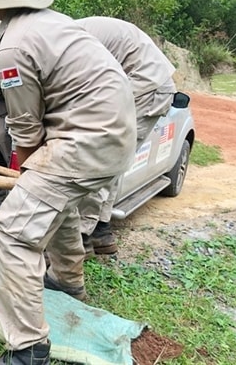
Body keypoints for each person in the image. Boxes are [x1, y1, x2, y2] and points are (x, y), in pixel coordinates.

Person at [0, 0, 137, 365]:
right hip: (111, 137)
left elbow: (24, 125)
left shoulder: (15, 44)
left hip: (83, 141)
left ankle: (28, 349)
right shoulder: (51, 22)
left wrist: (26, 166)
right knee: (62, 206)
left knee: (14, 232)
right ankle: (69, 284)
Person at [75, 16, 177, 258]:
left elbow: (79, 88)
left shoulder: (68, 39)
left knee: (99, 161)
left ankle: (80, 239)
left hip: (145, 88)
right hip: (147, 84)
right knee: (113, 163)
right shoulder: (70, 29)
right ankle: (100, 231)